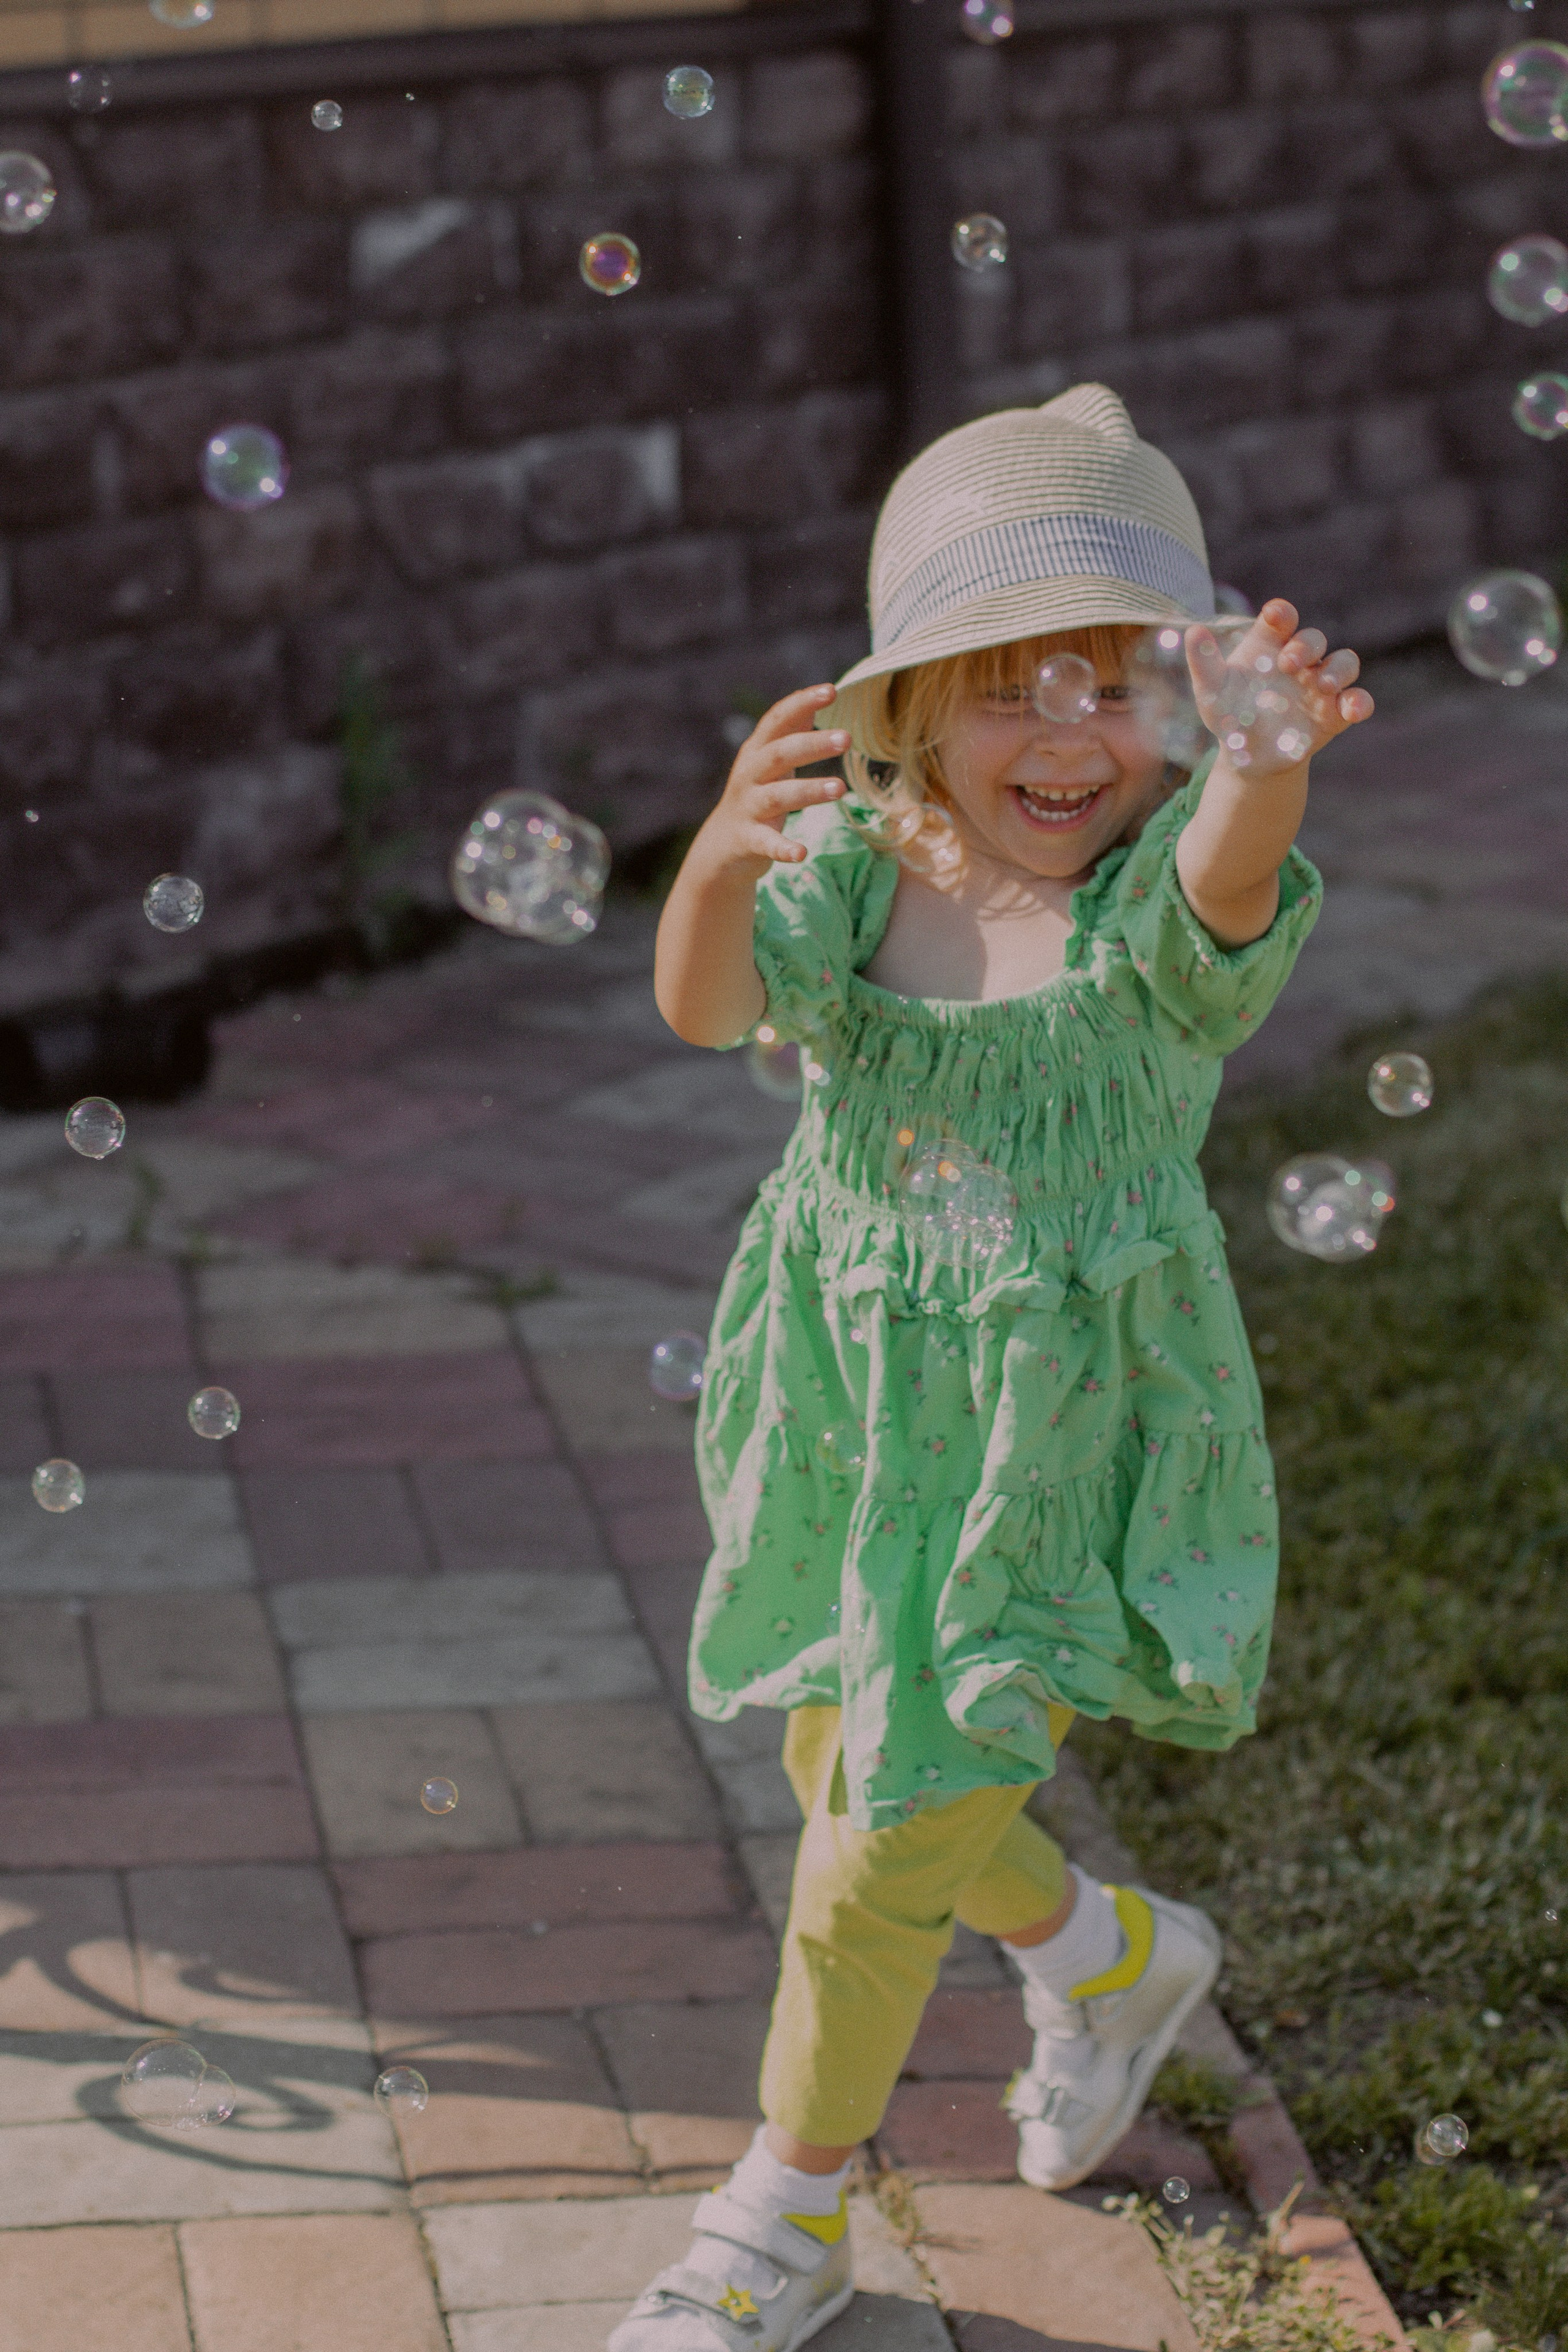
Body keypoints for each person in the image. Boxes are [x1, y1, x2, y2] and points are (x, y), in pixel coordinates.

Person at [611, 383, 1372, 2352]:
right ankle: (1116, 1958)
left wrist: (1268, 763)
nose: (1068, 733)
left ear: (1183, 709)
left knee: (874, 1850)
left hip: (1058, 1432)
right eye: (1013, 687)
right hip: (862, 1413)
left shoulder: (1150, 913)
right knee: (834, 1753)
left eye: (1120, 687)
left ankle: (779, 2220)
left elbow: (1233, 856)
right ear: (908, 707)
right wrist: (710, 855)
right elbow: (705, 1013)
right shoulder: (861, 871)